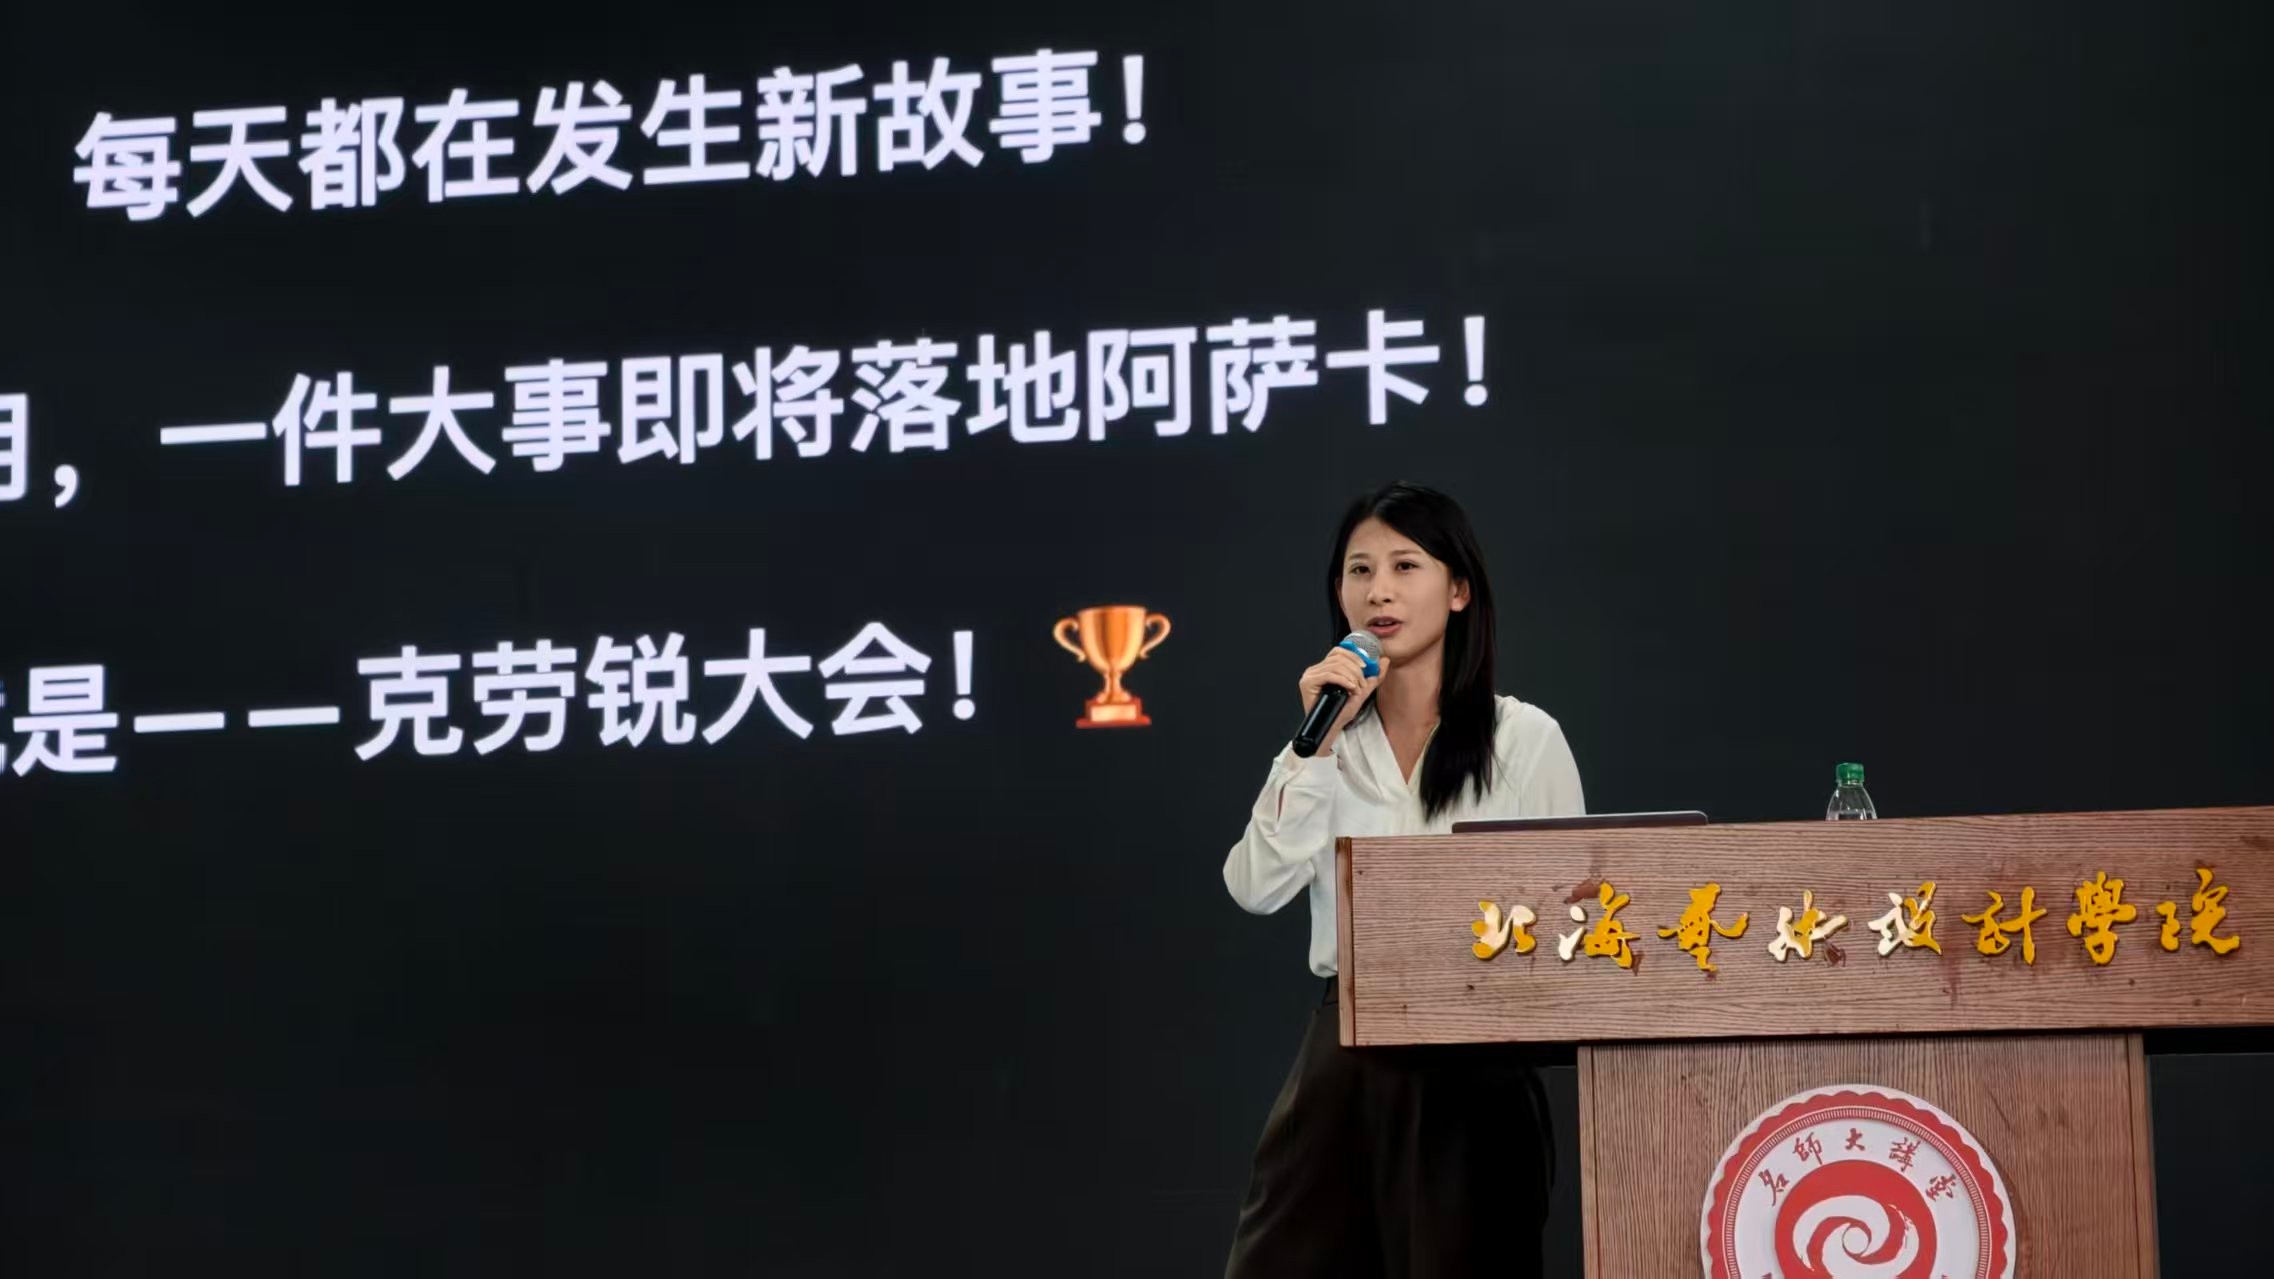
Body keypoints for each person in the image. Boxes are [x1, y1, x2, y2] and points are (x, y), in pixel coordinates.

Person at [1221, 482, 1585, 1279]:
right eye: (1359, 570)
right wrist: (1311, 749)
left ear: (1459, 590)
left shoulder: (1524, 738)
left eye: (1404, 565)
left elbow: (1573, 917)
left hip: (1480, 1062)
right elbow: (1254, 885)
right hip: (1347, 1055)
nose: (1378, 590)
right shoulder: (1327, 744)